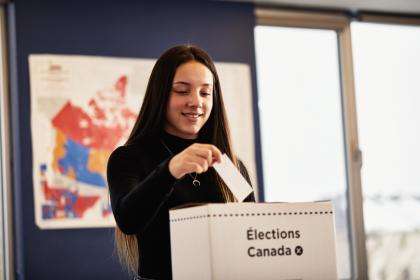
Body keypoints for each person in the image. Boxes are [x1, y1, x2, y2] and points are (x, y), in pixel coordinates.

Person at [107, 45, 255, 280]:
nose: (196, 102)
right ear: (160, 95)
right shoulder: (128, 158)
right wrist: (170, 170)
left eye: (205, 93)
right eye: (182, 91)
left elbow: (252, 233)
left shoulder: (231, 165)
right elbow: (128, 220)